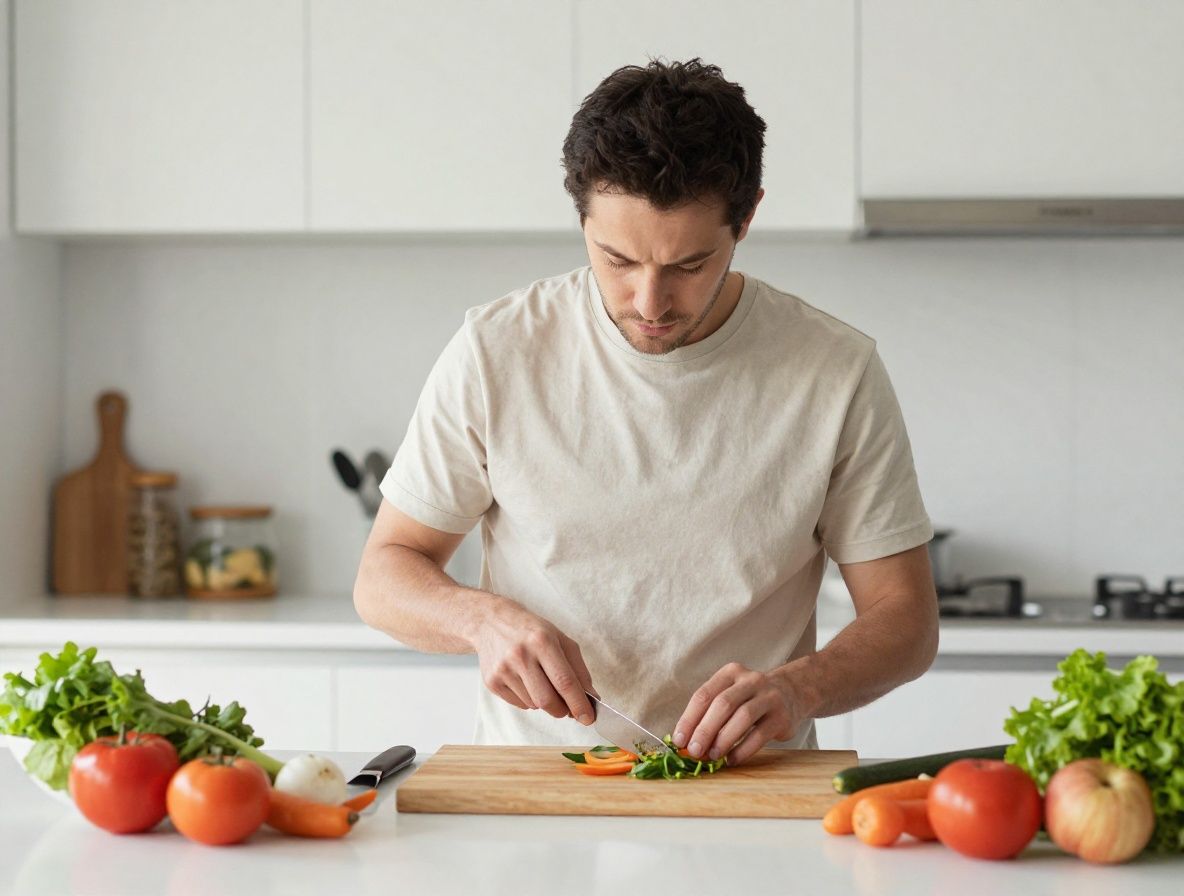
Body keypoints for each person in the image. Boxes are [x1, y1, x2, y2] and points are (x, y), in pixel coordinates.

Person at [354, 58, 938, 766]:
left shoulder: (834, 372)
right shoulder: (496, 351)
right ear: (581, 217)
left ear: (747, 216)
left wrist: (799, 689)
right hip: (537, 789)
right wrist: (482, 620)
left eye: (689, 266)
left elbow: (905, 620)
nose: (650, 303)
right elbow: (384, 575)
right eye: (618, 259)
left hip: (751, 792)